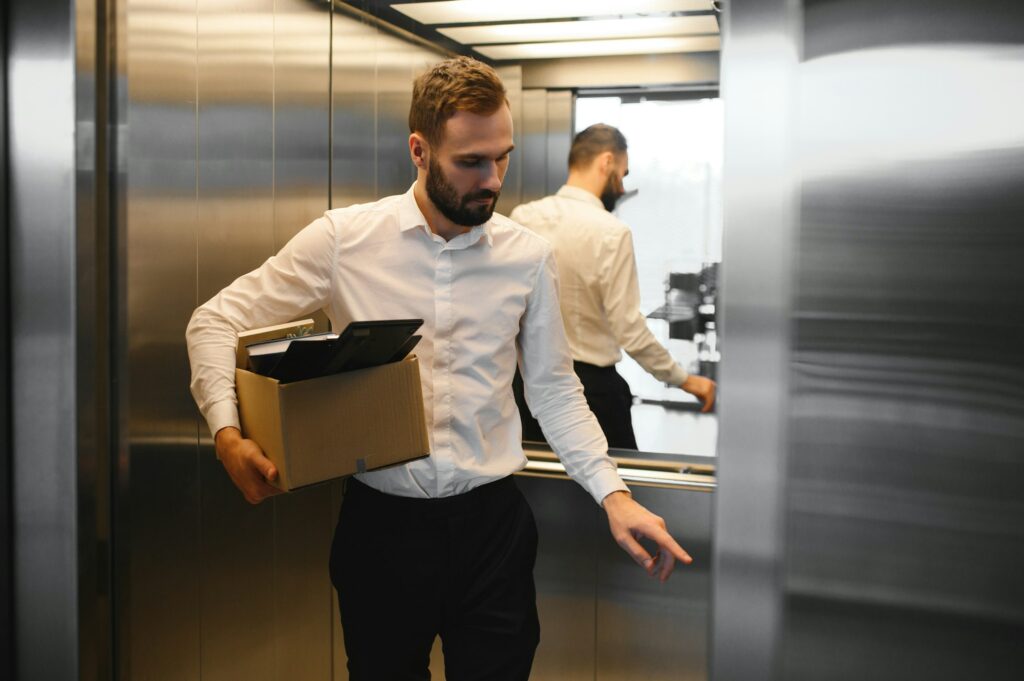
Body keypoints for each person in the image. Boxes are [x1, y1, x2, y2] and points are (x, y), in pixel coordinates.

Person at [186, 58, 692, 681]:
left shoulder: (527, 256)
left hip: (493, 531)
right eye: (471, 162)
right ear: (419, 151)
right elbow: (213, 321)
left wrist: (613, 495)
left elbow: (555, 390)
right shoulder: (345, 240)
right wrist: (227, 434)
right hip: (381, 533)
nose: (493, 179)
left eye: (502, 157)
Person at [510, 124, 717, 450]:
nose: (622, 187)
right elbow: (629, 328)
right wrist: (685, 379)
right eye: (624, 172)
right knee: (615, 491)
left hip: (527, 386)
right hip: (591, 393)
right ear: (607, 163)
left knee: (542, 489)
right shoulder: (611, 231)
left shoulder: (523, 217)